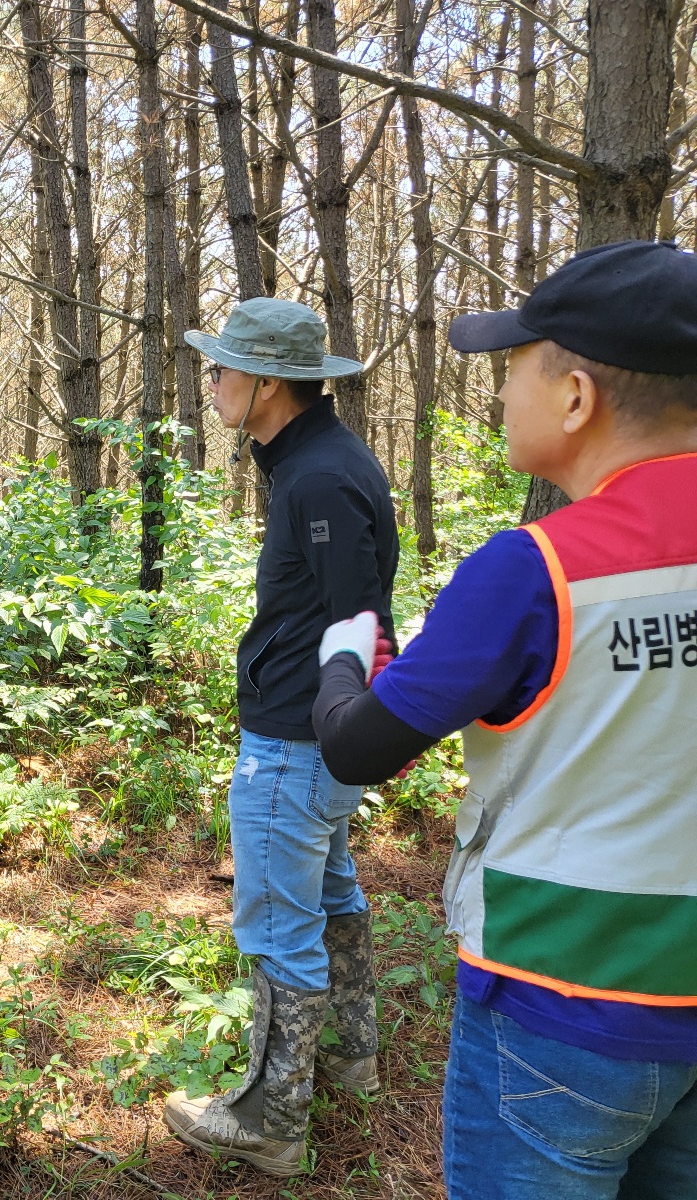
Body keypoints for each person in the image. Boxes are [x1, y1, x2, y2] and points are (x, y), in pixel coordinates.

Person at [312, 240, 697, 1199]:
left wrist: (344, 659)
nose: (500, 393)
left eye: (515, 367)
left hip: (560, 1000)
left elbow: (359, 746)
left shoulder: (535, 571)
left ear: (575, 396)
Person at [162, 298, 399, 1176]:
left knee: (275, 924)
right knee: (331, 891)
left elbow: (359, 617)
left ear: (268, 384)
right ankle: (351, 1053)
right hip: (316, 736)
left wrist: (334, 724)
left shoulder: (321, 476)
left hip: (296, 740)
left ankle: (271, 1119)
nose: (211, 381)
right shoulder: (308, 461)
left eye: (222, 368)